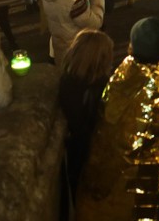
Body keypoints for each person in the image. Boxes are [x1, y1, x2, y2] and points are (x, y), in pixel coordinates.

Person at [77, 18, 159, 220]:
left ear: (131, 46)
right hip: (155, 199)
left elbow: (107, 142)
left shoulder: (120, 82)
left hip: (115, 201)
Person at [59, 29, 114, 202]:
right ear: (101, 60)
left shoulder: (68, 81)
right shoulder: (101, 86)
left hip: (76, 153)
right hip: (90, 153)